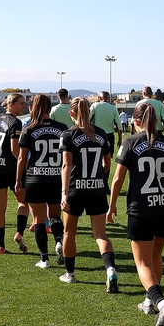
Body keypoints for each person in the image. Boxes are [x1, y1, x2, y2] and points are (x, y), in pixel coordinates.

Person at [109, 101, 164, 326]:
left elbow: (117, 179)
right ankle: (149, 300)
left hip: (141, 209)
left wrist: (112, 204)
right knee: (156, 256)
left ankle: (160, 302)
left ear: (136, 121)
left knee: (143, 262)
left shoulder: (129, 142)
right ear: (156, 121)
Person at [58, 98, 117, 289]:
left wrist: (64, 193)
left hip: (75, 189)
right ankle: (110, 270)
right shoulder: (100, 133)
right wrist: (100, 177)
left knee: (69, 233)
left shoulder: (68, 134)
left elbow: (66, 165)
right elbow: (107, 163)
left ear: (71, 113)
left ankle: (70, 274)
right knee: (100, 235)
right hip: (97, 189)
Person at [15, 94, 66, 269]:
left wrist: (18, 179)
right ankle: (59, 241)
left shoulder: (28, 129)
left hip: (35, 178)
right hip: (56, 178)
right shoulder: (62, 128)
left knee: (38, 219)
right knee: (55, 216)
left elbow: (22, 159)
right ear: (49, 109)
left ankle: (45, 259)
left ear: (32, 108)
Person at [0, 93, 29, 254]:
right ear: (11, 104)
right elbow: (14, 149)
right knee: (23, 202)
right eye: (21, 104)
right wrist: (25, 163)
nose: (23, 107)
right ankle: (19, 232)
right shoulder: (15, 122)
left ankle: (0, 245)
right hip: (10, 168)